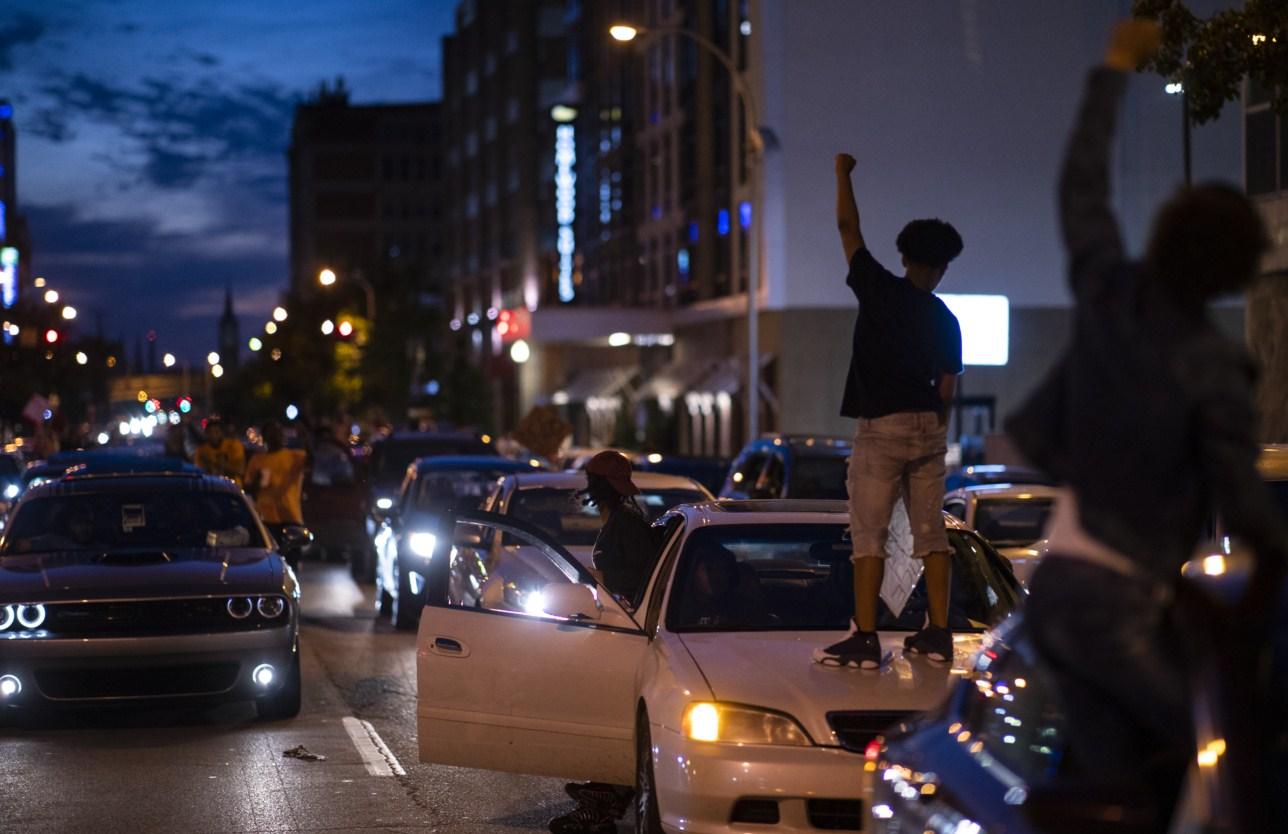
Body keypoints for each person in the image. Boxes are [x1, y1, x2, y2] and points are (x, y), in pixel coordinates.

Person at [1005, 19, 1288, 826]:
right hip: (1118, 606)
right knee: (1239, 762)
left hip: (1056, 592)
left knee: (1124, 789)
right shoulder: (1215, 368)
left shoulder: (1108, 295)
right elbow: (1243, 503)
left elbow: (1080, 188)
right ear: (1237, 267)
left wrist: (1113, 72)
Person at [812, 151, 964, 669]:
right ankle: (938, 633)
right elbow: (948, 383)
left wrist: (843, 173)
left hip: (882, 427)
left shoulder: (877, 289)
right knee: (931, 532)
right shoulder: (945, 317)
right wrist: (934, 425)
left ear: (905, 259)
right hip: (927, 427)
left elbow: (846, 226)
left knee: (869, 535)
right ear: (940, 265)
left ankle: (866, 638)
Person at [548, 451, 658, 834]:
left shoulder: (628, 524)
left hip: (631, 629)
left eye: (592, 482)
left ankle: (605, 800)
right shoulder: (621, 519)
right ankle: (601, 793)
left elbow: (642, 576)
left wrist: (606, 581)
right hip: (618, 626)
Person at [244, 422, 308, 544]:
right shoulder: (257, 460)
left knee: (291, 559)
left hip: (290, 517)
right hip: (267, 518)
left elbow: (310, 462)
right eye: (271, 433)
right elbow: (248, 489)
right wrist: (256, 482)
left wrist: (305, 439)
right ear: (265, 437)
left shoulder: (294, 456)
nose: (275, 436)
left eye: (278, 433)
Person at [193, 417, 246, 485]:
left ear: (222, 433)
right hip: (212, 487)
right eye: (210, 433)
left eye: (216, 432)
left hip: (233, 487)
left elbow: (240, 470)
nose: (213, 435)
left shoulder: (234, 445)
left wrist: (219, 464)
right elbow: (199, 472)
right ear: (206, 434)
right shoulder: (201, 451)